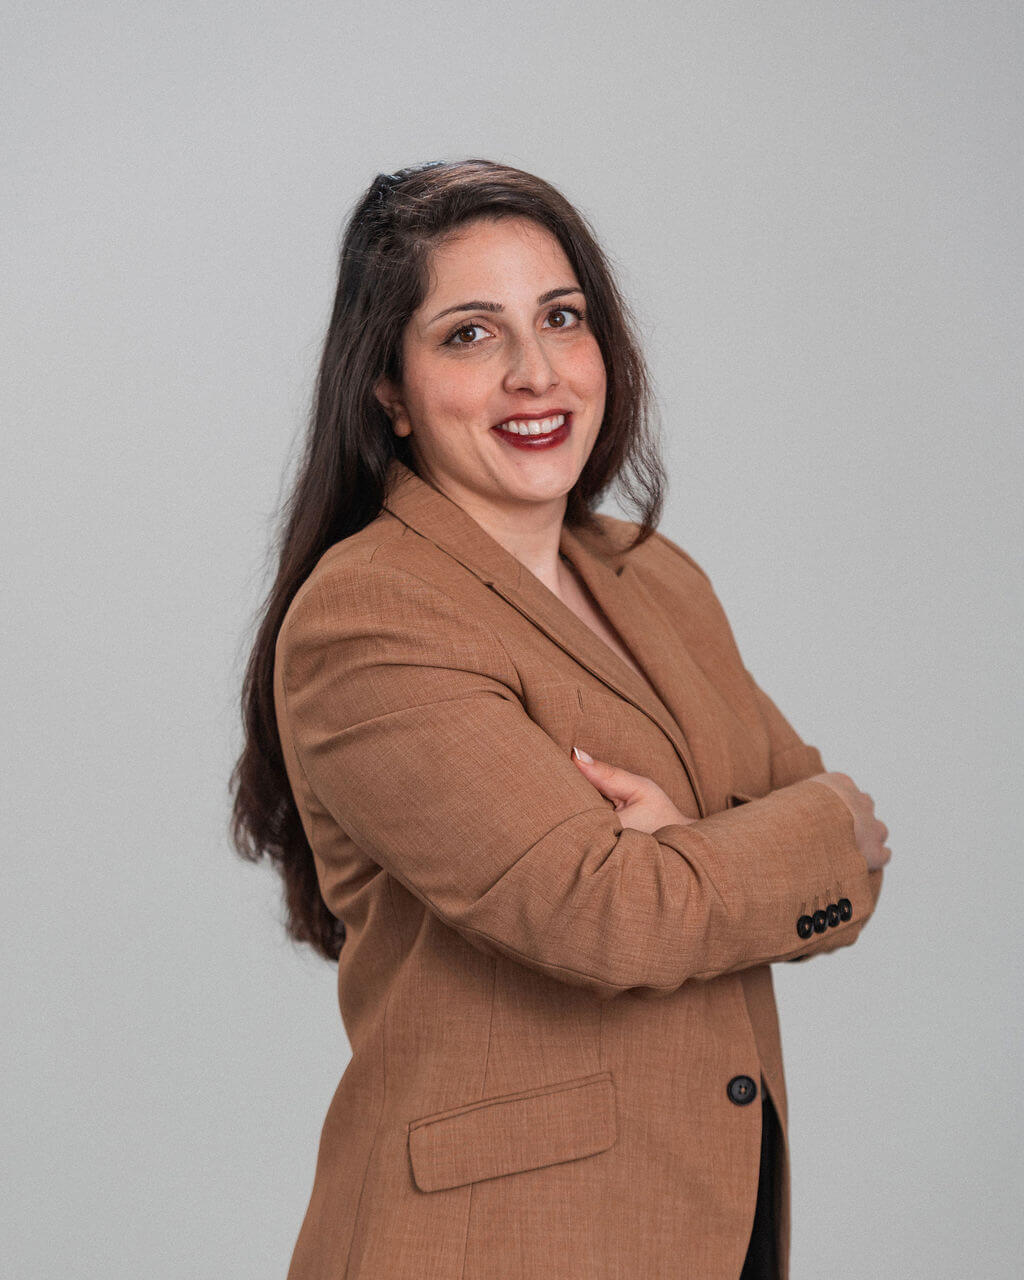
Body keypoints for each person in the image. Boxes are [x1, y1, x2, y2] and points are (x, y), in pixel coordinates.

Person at [230, 158, 890, 1280]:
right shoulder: (369, 615)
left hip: (708, 1221)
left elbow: (850, 847)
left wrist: (721, 843)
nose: (534, 374)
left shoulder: (652, 574)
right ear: (387, 387)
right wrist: (771, 834)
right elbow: (604, 915)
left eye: (561, 318)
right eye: (470, 335)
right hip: (490, 1245)